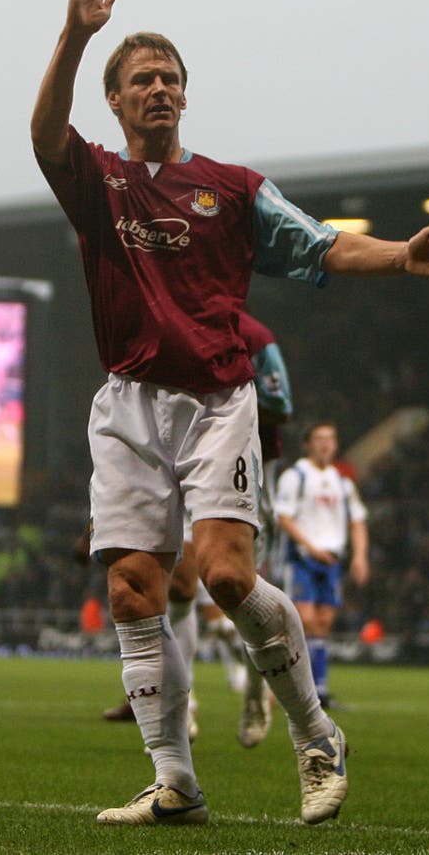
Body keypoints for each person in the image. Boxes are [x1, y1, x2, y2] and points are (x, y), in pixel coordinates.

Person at [30, 0, 429, 828]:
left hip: (215, 402)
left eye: (170, 77)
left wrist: (401, 256)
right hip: (126, 403)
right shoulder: (100, 182)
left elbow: (320, 245)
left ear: (185, 95)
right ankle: (177, 783)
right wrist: (77, 35)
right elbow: (44, 134)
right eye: (142, 79)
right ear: (116, 101)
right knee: (131, 587)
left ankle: (316, 734)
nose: (158, 88)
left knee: (228, 577)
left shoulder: (230, 191)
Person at [103, 311, 293, 748]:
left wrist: (223, 398)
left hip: (241, 468)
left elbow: (282, 406)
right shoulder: (167, 325)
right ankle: (182, 701)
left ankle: (254, 688)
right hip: (181, 466)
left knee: (239, 591)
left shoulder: (257, 337)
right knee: (182, 589)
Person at [276, 422, 370, 708]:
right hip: (303, 557)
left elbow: (357, 521)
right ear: (307, 444)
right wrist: (312, 549)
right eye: (319, 439)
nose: (325, 444)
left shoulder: (342, 481)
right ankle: (293, 687)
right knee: (303, 619)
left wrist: (360, 556)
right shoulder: (296, 476)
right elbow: (285, 518)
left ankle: (320, 689)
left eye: (330, 438)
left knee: (324, 623)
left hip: (331, 559)